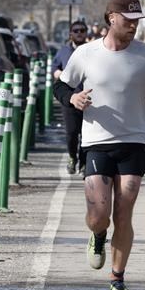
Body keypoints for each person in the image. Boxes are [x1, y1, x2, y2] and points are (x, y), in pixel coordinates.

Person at [53, 0, 145, 290]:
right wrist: (72, 98)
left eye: (137, 21)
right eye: (128, 20)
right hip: (96, 144)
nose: (133, 26)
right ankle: (97, 234)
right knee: (99, 214)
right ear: (112, 19)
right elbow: (60, 85)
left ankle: (117, 278)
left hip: (133, 142)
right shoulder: (86, 53)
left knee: (123, 212)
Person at [52, 20, 88, 175]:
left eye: (82, 30)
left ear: (86, 33)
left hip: (88, 99)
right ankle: (73, 157)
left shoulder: (91, 50)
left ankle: (84, 163)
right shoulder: (64, 51)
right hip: (69, 98)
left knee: (86, 134)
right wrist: (59, 74)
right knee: (72, 133)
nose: (79, 33)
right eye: (76, 31)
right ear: (70, 34)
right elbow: (54, 66)